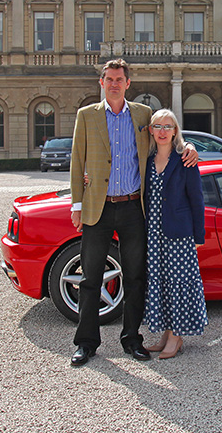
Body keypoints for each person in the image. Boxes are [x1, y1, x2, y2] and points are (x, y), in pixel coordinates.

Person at [69, 59, 198, 367]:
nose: (114, 83)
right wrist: (76, 205)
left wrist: (189, 145)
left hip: (133, 207)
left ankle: (131, 339)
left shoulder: (142, 115)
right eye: (109, 79)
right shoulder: (86, 116)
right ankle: (86, 342)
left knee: (136, 276)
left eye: (119, 79)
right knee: (91, 278)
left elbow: (167, 132)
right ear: (102, 83)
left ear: (128, 84)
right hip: (98, 206)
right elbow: (77, 161)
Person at [143, 109, 207, 359]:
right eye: (157, 126)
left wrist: (198, 236)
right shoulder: (147, 160)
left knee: (179, 285)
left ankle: (177, 336)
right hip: (154, 235)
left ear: (175, 131)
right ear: (151, 130)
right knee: (161, 284)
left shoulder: (185, 159)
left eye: (167, 126)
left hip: (179, 235)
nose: (162, 131)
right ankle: (166, 333)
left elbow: (197, 199)